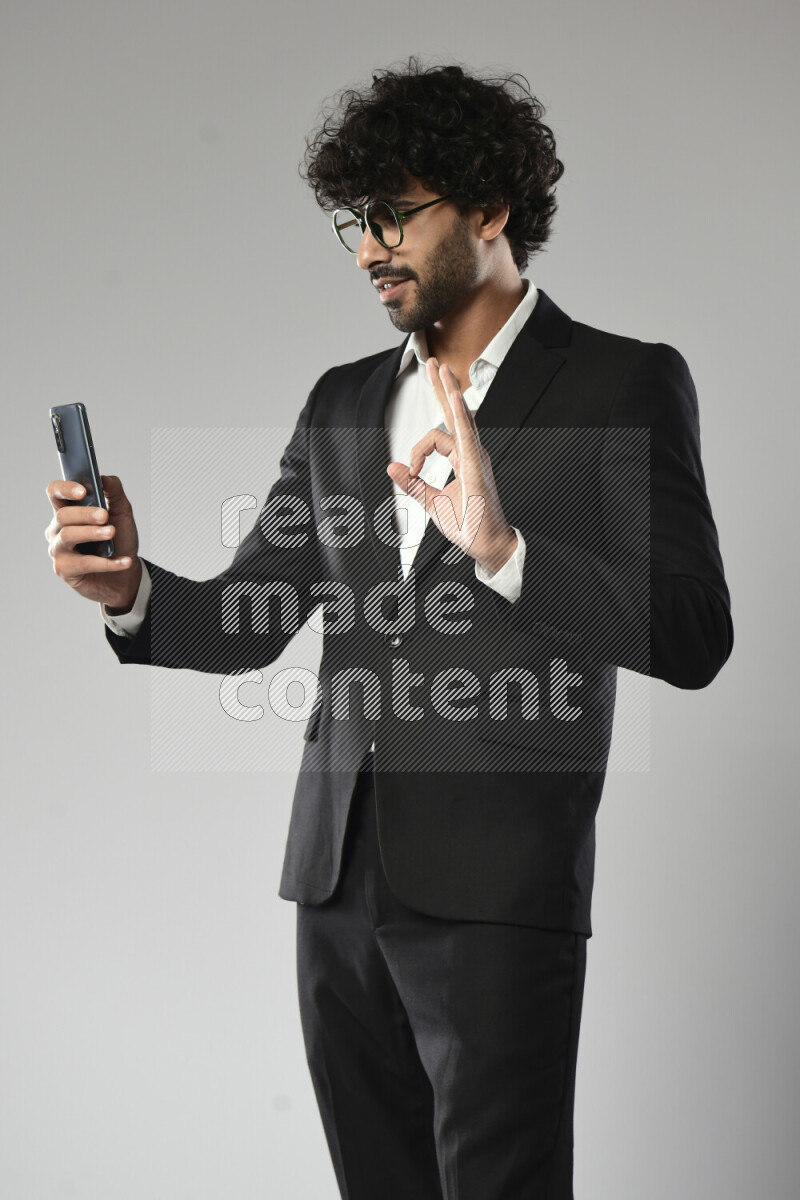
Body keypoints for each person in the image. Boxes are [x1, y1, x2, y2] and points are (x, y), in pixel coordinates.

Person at [45, 61, 733, 1200]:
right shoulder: (342, 402)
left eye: (391, 216)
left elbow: (693, 633)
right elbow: (246, 616)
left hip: (497, 896)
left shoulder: (621, 383)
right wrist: (128, 588)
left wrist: (505, 551)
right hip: (335, 883)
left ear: (488, 207)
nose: (366, 247)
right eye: (348, 222)